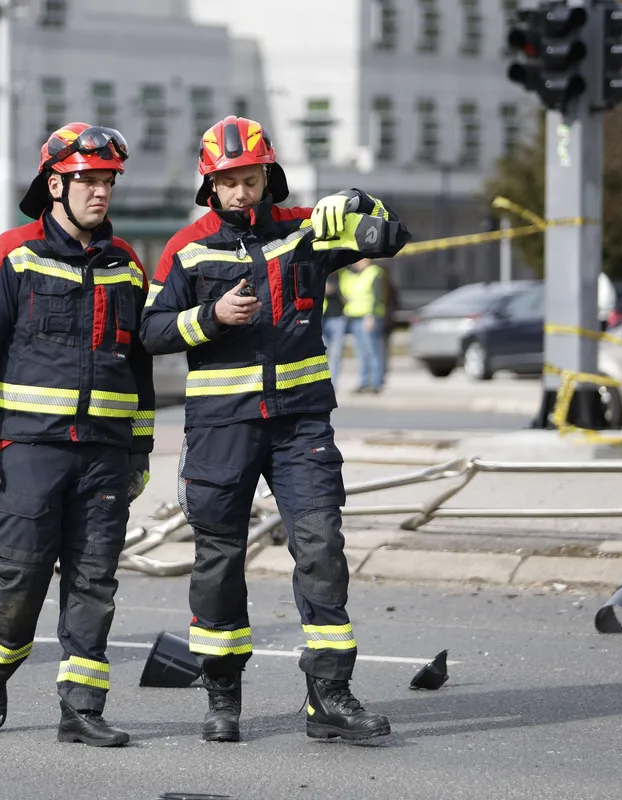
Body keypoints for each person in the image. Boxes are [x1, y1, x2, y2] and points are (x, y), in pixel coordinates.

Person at [140, 115, 410, 743]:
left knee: (320, 549)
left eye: (250, 178)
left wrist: (359, 204)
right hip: (221, 429)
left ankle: (329, 697)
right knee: (219, 561)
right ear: (211, 185)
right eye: (228, 181)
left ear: (269, 175)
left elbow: (387, 237)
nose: (241, 192)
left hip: (299, 427)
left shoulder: (303, 231)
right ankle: (223, 695)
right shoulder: (187, 247)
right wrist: (211, 316)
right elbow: (152, 334)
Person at [0, 123, 154, 747]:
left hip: (103, 452)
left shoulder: (126, 264)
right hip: (30, 447)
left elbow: (139, 362)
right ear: (54, 184)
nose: (100, 193)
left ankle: (81, 708)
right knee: (21, 576)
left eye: (106, 181)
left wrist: (140, 447)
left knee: (95, 579)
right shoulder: (11, 254)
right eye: (87, 181)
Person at [341, 258, 388, 393]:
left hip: (368, 318)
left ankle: (376, 383)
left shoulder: (374, 273)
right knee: (361, 353)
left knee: (372, 351)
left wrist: (371, 316)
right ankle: (364, 382)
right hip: (355, 317)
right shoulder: (355, 275)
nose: (356, 263)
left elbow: (378, 296)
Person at [321, 273, 347, 389]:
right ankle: (323, 382)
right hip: (323, 318)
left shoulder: (343, 274)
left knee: (336, 353)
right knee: (322, 354)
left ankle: (332, 383)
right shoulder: (321, 271)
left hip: (338, 317)